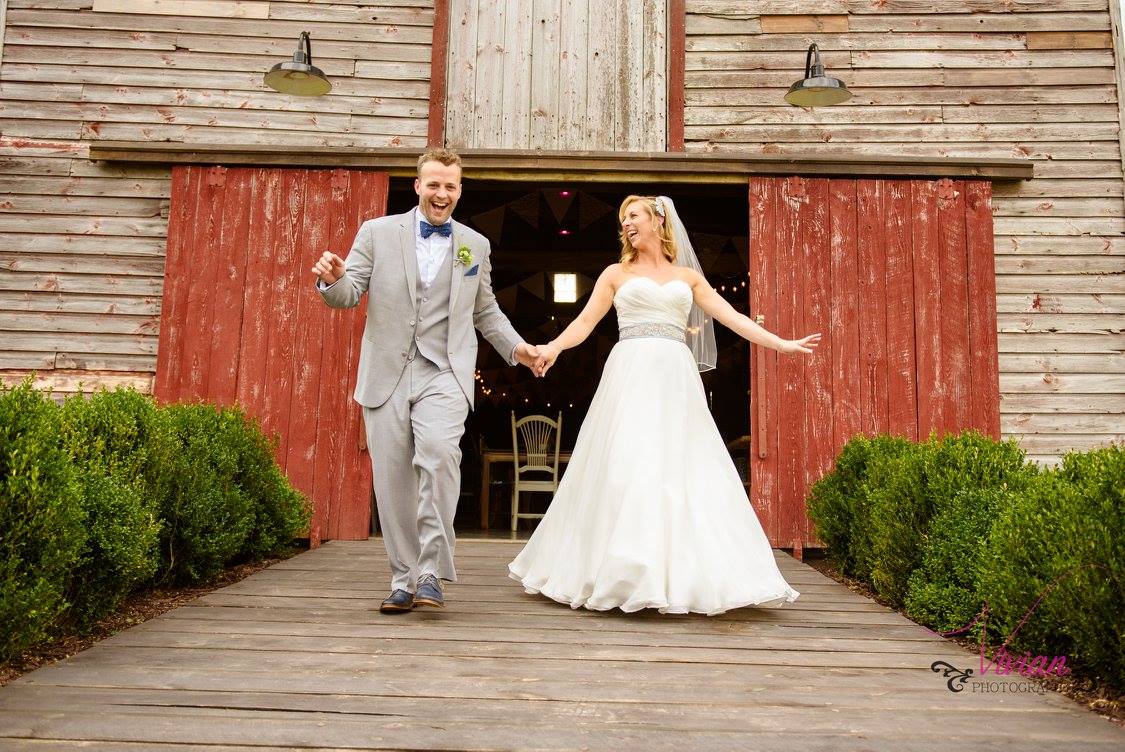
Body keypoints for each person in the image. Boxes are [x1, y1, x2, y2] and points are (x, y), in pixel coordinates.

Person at [508, 195, 820, 615]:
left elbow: (730, 317)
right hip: (630, 372)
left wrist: (780, 342)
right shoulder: (615, 274)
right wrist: (554, 347)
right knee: (626, 464)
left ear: (658, 220)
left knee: (681, 465)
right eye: (623, 220)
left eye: (633, 216)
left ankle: (681, 574)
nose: (626, 225)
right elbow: (584, 323)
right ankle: (620, 571)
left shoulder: (687, 277)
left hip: (675, 375)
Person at [313, 148, 540, 614]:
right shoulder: (377, 233)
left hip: (446, 373)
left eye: (450, 186)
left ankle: (432, 572)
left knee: (438, 457)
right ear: (417, 186)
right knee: (393, 477)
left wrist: (518, 349)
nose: (442, 194)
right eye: (433, 184)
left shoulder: (473, 245)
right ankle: (403, 577)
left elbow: (485, 311)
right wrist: (333, 280)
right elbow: (349, 293)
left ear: (460, 190)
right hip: (387, 374)